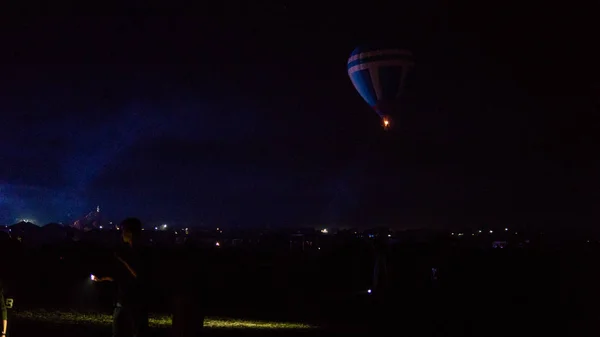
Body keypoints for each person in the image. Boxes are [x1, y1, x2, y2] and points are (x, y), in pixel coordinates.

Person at [94, 218, 148, 337]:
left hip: (136, 304)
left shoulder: (141, 252)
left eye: (123, 230)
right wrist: (102, 279)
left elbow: (139, 275)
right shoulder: (126, 251)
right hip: (122, 302)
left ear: (131, 233)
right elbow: (120, 277)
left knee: (136, 332)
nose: (121, 234)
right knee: (118, 333)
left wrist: (123, 260)